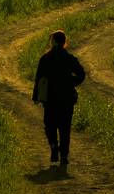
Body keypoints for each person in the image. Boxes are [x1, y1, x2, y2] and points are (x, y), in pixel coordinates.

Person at [33, 30, 86, 166]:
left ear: (55, 41)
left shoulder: (45, 58)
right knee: (65, 128)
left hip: (50, 100)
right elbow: (81, 74)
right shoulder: (69, 58)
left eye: (51, 40)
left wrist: (36, 96)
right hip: (66, 98)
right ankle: (63, 156)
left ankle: (53, 146)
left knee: (49, 125)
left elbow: (39, 79)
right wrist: (71, 82)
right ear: (64, 42)